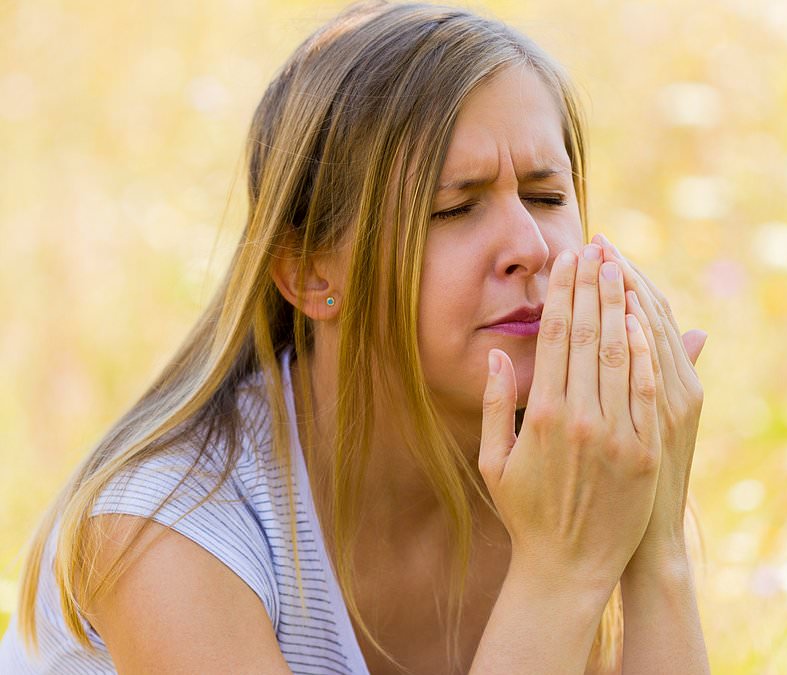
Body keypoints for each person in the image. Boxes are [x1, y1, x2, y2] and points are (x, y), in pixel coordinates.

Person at [0, 1, 710, 673]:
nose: (530, 244)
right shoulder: (169, 527)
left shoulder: (568, 471)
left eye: (546, 197)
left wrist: (657, 548)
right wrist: (560, 573)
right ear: (310, 274)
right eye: (454, 209)